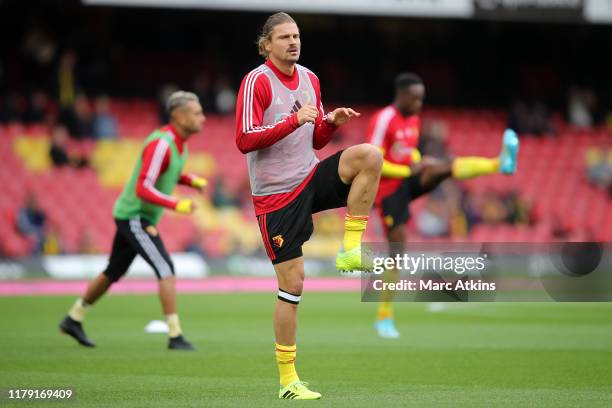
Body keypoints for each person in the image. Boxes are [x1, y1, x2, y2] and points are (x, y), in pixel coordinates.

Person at [235, 12, 382, 400]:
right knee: (293, 285)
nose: (293, 42)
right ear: (266, 45)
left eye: (296, 36)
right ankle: (288, 381)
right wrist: (293, 119)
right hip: (276, 197)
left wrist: (330, 122)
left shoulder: (310, 78)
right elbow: (245, 139)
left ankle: (351, 249)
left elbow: (315, 140)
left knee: (369, 156)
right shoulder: (256, 81)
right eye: (284, 37)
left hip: (308, 176)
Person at [367, 72, 519, 339]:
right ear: (401, 95)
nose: (419, 104)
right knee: (397, 253)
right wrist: (408, 169)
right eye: (415, 99)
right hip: (388, 192)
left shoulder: (413, 119)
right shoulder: (383, 119)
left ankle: (500, 163)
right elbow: (373, 161)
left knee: (446, 165)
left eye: (421, 99)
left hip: (407, 180)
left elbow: (405, 151)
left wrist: (417, 160)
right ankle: (384, 317)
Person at [59, 91, 208, 351]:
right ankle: (175, 336)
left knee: (113, 272)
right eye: (196, 113)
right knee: (165, 268)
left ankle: (73, 318)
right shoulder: (162, 143)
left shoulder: (178, 144)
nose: (203, 118)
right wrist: (176, 203)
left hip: (135, 215)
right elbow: (143, 187)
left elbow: (167, 170)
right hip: (135, 216)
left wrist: (188, 180)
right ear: (178, 116)